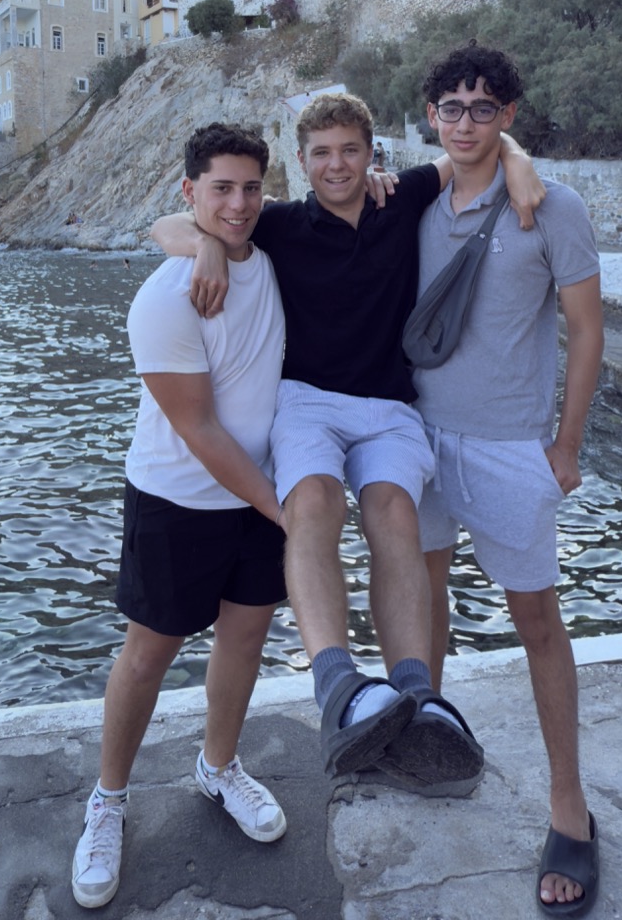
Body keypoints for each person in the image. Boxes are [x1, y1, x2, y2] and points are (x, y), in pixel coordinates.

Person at [152, 92, 544, 792]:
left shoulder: (403, 197)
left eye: (350, 151)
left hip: (389, 404)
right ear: (301, 162)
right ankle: (337, 684)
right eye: (322, 154)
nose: (337, 166)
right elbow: (167, 224)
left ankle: (416, 693)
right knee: (312, 502)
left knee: (394, 512)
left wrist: (516, 158)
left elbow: (472, 150)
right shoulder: (279, 224)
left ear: (371, 155)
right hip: (307, 400)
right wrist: (208, 245)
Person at [71, 123, 288, 910]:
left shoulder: (272, 251)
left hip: (258, 496)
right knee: (147, 656)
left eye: (251, 188)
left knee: (246, 637)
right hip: (178, 500)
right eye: (220, 188)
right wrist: (286, 511)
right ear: (191, 191)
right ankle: (107, 801)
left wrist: (202, 240)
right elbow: (198, 429)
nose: (238, 204)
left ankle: (218, 767)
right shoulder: (163, 300)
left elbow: (193, 226)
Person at [410, 44, 603, 915]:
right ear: (430, 117)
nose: (465, 122)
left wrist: (566, 444)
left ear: (509, 115)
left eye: (483, 107)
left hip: (508, 444)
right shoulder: (411, 197)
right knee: (423, 598)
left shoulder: (552, 208)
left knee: (537, 622)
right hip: (419, 436)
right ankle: (429, 737)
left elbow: (586, 330)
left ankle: (570, 806)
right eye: (451, 107)